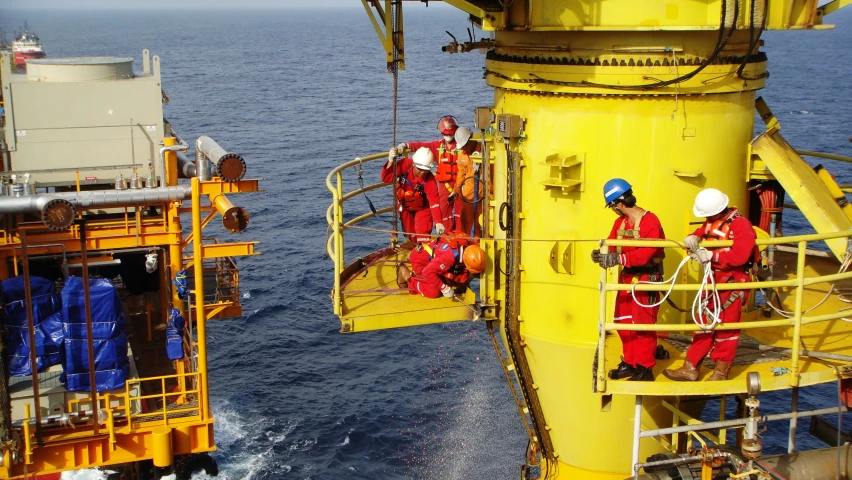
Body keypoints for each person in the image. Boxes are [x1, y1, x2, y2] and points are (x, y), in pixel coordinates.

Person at [664, 188, 756, 382]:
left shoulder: (741, 226)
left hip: (731, 283)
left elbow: (741, 255)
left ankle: (720, 372)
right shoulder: (714, 221)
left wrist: (712, 255)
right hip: (713, 281)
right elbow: (704, 232)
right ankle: (691, 368)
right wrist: (694, 237)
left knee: (726, 329)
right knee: (704, 325)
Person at [591, 178, 665, 382]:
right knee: (623, 321)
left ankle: (644, 368)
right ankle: (631, 363)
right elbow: (612, 245)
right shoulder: (620, 224)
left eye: (613, 206)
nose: (614, 210)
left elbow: (645, 254)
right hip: (627, 278)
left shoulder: (651, 221)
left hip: (646, 278)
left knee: (642, 324)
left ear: (619, 204)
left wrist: (618, 258)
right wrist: (601, 254)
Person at [398, 116, 460, 229]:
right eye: (446, 134)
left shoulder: (463, 146)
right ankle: (446, 239)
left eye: (450, 134)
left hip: (461, 184)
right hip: (445, 186)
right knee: (443, 213)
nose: (448, 137)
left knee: (462, 214)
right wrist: (406, 145)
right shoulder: (438, 147)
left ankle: (462, 238)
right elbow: (423, 146)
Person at [381, 147, 447, 244]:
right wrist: (390, 160)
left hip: (423, 208)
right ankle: (415, 250)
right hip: (405, 207)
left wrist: (438, 222)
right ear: (414, 164)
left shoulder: (429, 180)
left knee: (423, 234)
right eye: (420, 169)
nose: (422, 172)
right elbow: (386, 178)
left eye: (426, 170)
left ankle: (422, 252)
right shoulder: (405, 165)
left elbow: (434, 202)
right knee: (411, 236)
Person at [398, 232, 485, 298]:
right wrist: (444, 288)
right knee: (434, 292)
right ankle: (407, 277)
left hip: (436, 257)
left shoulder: (471, 247)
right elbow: (427, 272)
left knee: (459, 278)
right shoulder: (449, 257)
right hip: (420, 262)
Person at [452, 126, 484, 238]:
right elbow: (461, 175)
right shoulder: (462, 155)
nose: (463, 148)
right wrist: (455, 191)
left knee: (483, 220)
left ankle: (480, 242)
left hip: (484, 192)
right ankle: (468, 243)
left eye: (465, 145)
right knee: (466, 220)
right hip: (468, 194)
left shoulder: (484, 150)